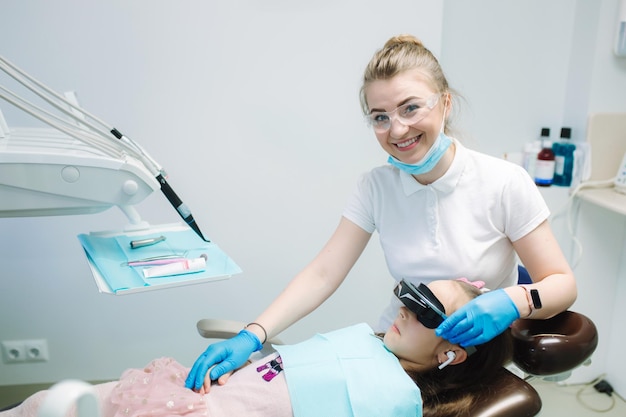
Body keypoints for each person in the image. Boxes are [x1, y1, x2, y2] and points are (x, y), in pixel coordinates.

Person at [185, 33, 576, 390]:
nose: (397, 129)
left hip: (460, 360)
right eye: (381, 117)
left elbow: (562, 283)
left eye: (410, 109)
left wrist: (514, 301)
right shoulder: (376, 187)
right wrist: (255, 334)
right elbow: (323, 273)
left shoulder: (503, 182)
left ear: (445, 103)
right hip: (392, 348)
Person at [0, 280, 513, 417]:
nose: (403, 309)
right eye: (407, 294)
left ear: (455, 351)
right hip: (185, 397)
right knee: (47, 404)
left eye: (424, 311)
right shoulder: (365, 339)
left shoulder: (397, 400)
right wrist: (251, 347)